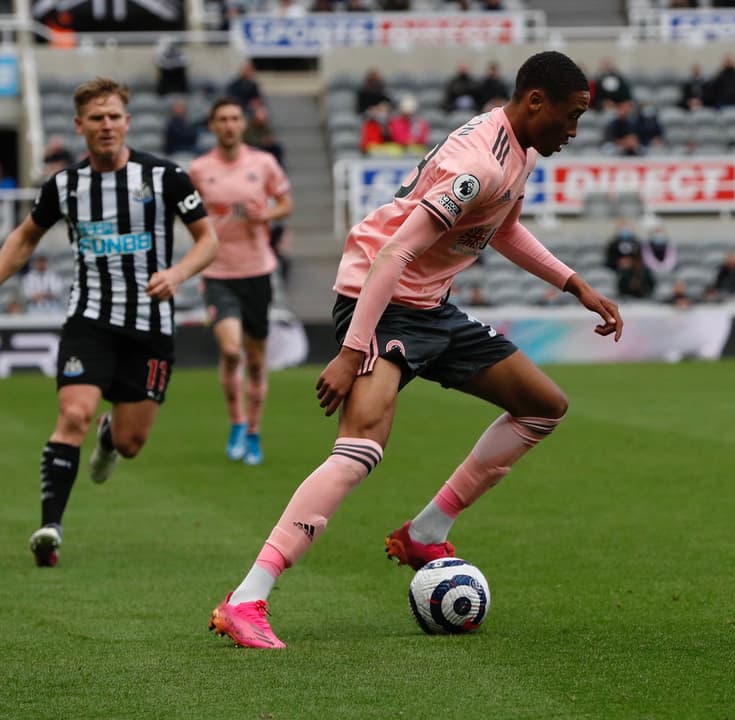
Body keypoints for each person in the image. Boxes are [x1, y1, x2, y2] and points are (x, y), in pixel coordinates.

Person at [207, 51, 622, 649]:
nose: (575, 130)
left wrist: (572, 282)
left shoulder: (519, 151)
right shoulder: (478, 164)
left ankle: (426, 532)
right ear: (536, 101)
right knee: (358, 451)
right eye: (572, 115)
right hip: (380, 300)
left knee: (542, 406)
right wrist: (352, 351)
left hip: (429, 305)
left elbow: (501, 229)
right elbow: (393, 254)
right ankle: (247, 598)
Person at [0, 77, 218, 568]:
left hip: (150, 326)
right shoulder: (64, 186)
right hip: (90, 320)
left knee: (130, 443)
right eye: (96, 118)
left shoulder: (165, 176)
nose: (106, 125)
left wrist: (178, 273)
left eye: (114, 116)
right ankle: (50, 528)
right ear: (79, 125)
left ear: (128, 122)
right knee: (73, 415)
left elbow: (208, 240)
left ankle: (109, 439)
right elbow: (25, 238)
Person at [189, 98, 294, 466]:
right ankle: (236, 421)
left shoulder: (263, 163)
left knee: (256, 360)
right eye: (222, 119)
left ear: (243, 124)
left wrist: (266, 214)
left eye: (235, 118)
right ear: (212, 125)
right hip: (218, 272)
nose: (229, 125)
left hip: (257, 271)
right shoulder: (199, 169)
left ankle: (253, 431)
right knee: (232, 351)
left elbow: (285, 204)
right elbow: (186, 212)